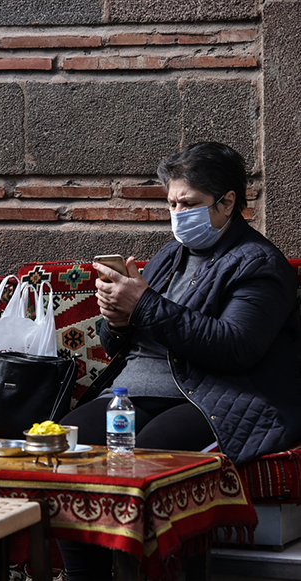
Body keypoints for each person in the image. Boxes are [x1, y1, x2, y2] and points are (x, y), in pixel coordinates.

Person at [57, 141, 301, 581]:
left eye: (188, 203)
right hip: (137, 389)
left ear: (227, 202)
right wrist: (117, 319)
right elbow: (121, 346)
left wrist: (144, 304)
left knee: (147, 457)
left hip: (216, 397)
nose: (177, 213)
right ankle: (83, 575)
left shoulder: (261, 265)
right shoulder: (172, 255)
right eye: (171, 202)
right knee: (65, 445)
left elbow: (235, 347)